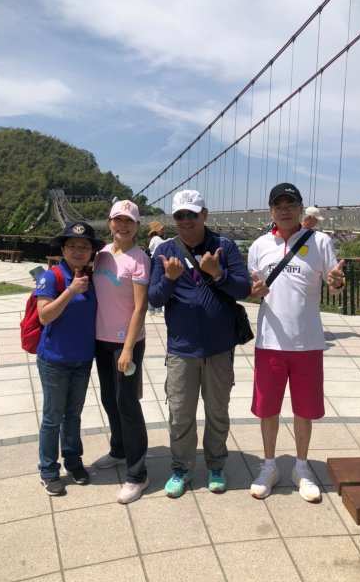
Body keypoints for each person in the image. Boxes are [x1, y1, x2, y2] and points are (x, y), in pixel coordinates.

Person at [148, 189, 251, 498]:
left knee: (218, 410)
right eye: (180, 215)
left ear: (204, 215)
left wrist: (217, 273)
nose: (186, 221)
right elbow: (154, 298)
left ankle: (216, 465)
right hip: (181, 349)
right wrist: (168, 279)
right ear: (174, 219)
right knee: (180, 413)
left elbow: (243, 288)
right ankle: (181, 469)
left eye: (192, 214)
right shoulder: (165, 250)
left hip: (219, 348)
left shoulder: (225, 246)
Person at [248, 183, 345, 502]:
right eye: (279, 204)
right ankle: (270, 465)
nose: (285, 209)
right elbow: (253, 288)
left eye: (291, 203)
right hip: (269, 343)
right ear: (271, 210)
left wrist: (336, 282)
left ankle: (301, 467)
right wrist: (254, 292)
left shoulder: (320, 242)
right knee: (268, 410)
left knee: (304, 410)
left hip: (308, 343)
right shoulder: (260, 245)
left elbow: (335, 284)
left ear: (301, 208)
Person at [35, 221, 104, 496]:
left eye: (84, 246)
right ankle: (48, 469)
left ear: (91, 252)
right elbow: (44, 315)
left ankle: (73, 461)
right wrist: (71, 290)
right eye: (72, 246)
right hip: (54, 359)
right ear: (63, 248)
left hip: (82, 358)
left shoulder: (93, 278)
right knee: (53, 416)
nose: (78, 251)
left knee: (73, 415)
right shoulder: (52, 277)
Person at [92, 200, 151, 504]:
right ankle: (119, 449)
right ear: (110, 222)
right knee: (108, 398)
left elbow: (140, 307)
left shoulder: (139, 259)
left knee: (126, 402)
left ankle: (138, 473)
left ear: (137, 226)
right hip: (100, 340)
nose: (123, 225)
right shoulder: (100, 255)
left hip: (126, 343)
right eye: (118, 220)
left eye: (129, 221)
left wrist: (128, 348)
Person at [147, 221, 166, 315]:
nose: (163, 231)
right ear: (156, 230)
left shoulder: (153, 239)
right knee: (157, 285)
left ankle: (152, 309)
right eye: (161, 229)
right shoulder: (157, 239)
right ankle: (155, 309)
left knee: (154, 284)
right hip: (157, 263)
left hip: (154, 262)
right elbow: (164, 244)